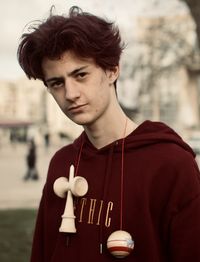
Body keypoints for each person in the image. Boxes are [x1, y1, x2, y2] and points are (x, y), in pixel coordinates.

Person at [17, 6, 200, 262]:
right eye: (57, 83)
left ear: (112, 70)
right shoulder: (62, 163)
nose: (70, 94)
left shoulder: (171, 164)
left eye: (80, 75)